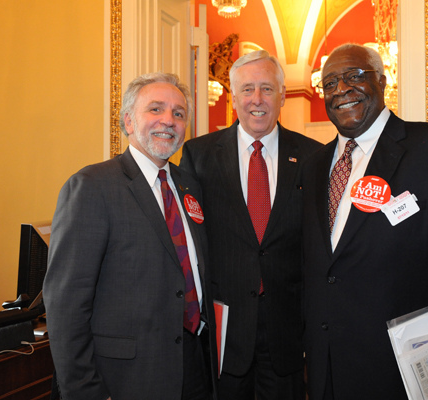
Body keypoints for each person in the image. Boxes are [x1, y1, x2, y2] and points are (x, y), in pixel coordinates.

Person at [301, 43, 428, 399]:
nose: (341, 89)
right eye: (330, 82)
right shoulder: (313, 166)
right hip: (327, 376)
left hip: (408, 378)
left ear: (383, 81)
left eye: (354, 76)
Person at [43, 72, 218, 400]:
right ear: (127, 121)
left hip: (194, 368)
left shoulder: (189, 187)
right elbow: (66, 305)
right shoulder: (92, 186)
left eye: (178, 113)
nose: (168, 120)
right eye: (155, 109)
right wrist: (84, 391)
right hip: (125, 379)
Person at [179, 50, 322, 400]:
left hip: (287, 333)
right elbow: (190, 239)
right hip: (224, 333)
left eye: (266, 89)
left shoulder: (314, 156)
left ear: (283, 95)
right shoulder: (198, 155)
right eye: (246, 89)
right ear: (232, 97)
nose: (256, 99)